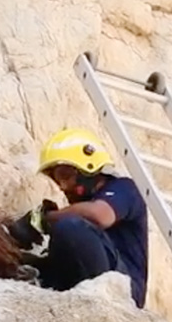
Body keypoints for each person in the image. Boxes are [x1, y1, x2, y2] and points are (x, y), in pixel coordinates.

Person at [28, 127, 149, 309]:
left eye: (65, 176)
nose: (62, 186)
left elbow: (100, 215)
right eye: (57, 179)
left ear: (87, 168)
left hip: (124, 289)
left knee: (70, 228)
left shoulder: (124, 188)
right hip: (88, 278)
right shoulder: (80, 208)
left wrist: (45, 220)